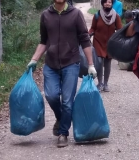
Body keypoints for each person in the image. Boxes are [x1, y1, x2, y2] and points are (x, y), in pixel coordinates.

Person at [26, 0, 97, 148]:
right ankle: (61, 118)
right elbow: (43, 41)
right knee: (51, 96)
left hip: (71, 62)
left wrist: (91, 65)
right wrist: (34, 59)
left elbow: (84, 39)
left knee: (67, 101)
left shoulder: (75, 14)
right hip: (51, 64)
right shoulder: (45, 15)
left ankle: (63, 133)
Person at [89, 0, 122, 92]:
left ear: (112, 4)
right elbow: (93, 28)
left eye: (110, 2)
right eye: (106, 2)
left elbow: (120, 29)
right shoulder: (97, 15)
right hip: (98, 42)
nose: (108, 3)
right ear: (103, 3)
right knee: (99, 63)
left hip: (110, 43)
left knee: (107, 63)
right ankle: (100, 83)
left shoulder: (116, 16)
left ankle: (106, 83)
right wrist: (89, 33)